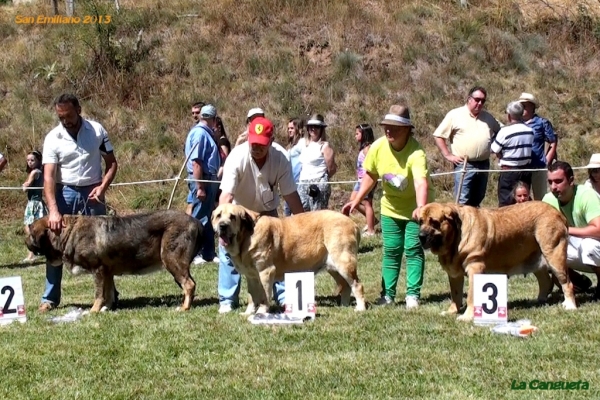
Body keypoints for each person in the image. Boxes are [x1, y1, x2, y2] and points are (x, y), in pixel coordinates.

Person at [342, 105, 434, 309]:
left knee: (413, 249)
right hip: (390, 208)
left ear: (407, 130)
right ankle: (388, 295)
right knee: (391, 250)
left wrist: (421, 209)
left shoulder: (416, 152)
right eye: (386, 127)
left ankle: (412, 295)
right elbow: (370, 175)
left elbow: (420, 183)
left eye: (395, 127)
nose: (389, 131)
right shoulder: (377, 147)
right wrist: (356, 200)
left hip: (414, 210)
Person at [40, 93, 118, 312]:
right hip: (64, 193)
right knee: (54, 247)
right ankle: (50, 297)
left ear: (79, 109)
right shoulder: (52, 138)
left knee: (103, 248)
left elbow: (112, 164)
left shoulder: (97, 130)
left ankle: (110, 295)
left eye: (69, 116)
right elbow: (48, 177)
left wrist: (102, 187)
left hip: (93, 194)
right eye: (61, 117)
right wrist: (53, 211)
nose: (65, 121)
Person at [217, 116, 304, 313]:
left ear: (271, 142)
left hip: (267, 214)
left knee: (277, 254)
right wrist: (224, 224)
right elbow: (227, 195)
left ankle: (284, 298)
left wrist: (303, 223)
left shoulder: (281, 157)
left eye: (261, 145)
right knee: (227, 250)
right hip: (238, 214)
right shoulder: (236, 157)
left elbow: (290, 195)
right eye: (253, 143)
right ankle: (227, 299)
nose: (256, 148)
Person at [433, 86, 501, 207]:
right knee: (462, 200)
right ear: (469, 99)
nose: (480, 103)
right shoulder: (455, 115)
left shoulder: (488, 117)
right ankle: (460, 225)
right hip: (464, 164)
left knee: (478, 198)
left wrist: (497, 148)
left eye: (483, 101)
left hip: (483, 164)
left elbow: (500, 132)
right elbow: (438, 135)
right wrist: (448, 155)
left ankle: (474, 225)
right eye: (477, 99)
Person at [543, 161, 599, 296]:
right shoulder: (548, 200)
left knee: (588, 246)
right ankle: (579, 282)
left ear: (571, 180)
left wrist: (566, 230)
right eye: (550, 182)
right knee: (543, 253)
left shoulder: (586, 195)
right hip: (576, 249)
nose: (553, 187)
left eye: (558, 181)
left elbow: (598, 230)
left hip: (594, 246)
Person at [184, 104, 221, 265]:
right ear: (212, 119)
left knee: (207, 217)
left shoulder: (206, 134)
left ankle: (208, 253)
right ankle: (194, 253)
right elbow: (196, 163)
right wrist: (200, 187)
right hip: (202, 179)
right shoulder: (200, 134)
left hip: (208, 178)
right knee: (198, 218)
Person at [490, 101, 534, 207]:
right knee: (524, 200)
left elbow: (493, 149)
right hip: (526, 170)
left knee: (506, 203)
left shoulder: (505, 132)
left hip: (509, 172)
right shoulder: (530, 130)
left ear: (509, 116)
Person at [518, 93, 557, 200]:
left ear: (532, 107)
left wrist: (547, 160)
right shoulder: (516, 123)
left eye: (525, 105)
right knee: (522, 198)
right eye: (521, 105)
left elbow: (552, 142)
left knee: (540, 197)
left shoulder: (542, 123)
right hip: (521, 167)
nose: (523, 108)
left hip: (537, 166)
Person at [295, 113, 337, 211]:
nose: (313, 129)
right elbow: (291, 154)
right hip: (302, 182)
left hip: (318, 183)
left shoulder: (325, 146)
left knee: (317, 214)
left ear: (321, 129)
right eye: (311, 127)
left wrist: (321, 180)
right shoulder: (302, 142)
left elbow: (332, 169)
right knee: (300, 213)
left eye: (316, 127)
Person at [348, 123, 377, 236]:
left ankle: (371, 230)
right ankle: (372, 220)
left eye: (357, 133)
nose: (355, 136)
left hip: (366, 180)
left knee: (366, 203)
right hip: (359, 180)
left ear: (364, 134)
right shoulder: (363, 148)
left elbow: (371, 165)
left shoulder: (368, 148)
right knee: (353, 200)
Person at [22, 150, 47, 263]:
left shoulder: (34, 172)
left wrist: (25, 185)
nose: (29, 162)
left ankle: (32, 254)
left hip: (34, 204)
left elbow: (25, 188)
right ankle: (38, 251)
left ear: (38, 160)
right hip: (37, 202)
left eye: (32, 160)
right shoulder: (40, 171)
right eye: (28, 160)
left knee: (30, 229)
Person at [284, 117, 304, 216]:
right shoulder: (291, 145)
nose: (289, 130)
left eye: (292, 128)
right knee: (287, 210)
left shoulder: (302, 143)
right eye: (288, 128)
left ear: (298, 129)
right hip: (290, 181)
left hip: (298, 182)